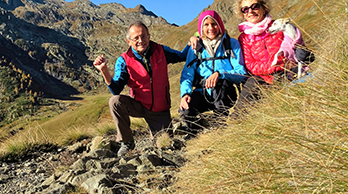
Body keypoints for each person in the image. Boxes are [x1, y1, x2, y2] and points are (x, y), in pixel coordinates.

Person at [93, 21, 189, 156]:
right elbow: (116, 90)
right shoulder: (124, 60)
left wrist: (193, 39)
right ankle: (126, 141)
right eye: (136, 38)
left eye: (143, 36)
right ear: (129, 41)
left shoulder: (160, 50)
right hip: (138, 104)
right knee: (115, 101)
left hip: (160, 110)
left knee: (164, 147)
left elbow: (182, 56)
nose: (141, 41)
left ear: (149, 36)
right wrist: (104, 71)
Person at [234, 0, 313, 103]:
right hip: (262, 78)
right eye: (245, 9)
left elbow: (297, 47)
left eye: (255, 6)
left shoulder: (280, 26)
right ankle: (236, 120)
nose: (250, 11)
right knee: (246, 97)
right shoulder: (244, 38)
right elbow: (250, 65)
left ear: (264, 7)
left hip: (286, 72)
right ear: (242, 14)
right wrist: (276, 66)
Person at [179, 10, 247, 135]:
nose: (211, 28)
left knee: (219, 87)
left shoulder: (231, 44)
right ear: (201, 27)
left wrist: (219, 74)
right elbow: (187, 75)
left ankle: (221, 129)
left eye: (214, 24)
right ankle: (197, 135)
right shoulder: (195, 48)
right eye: (206, 25)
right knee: (185, 111)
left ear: (220, 25)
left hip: (224, 92)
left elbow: (241, 72)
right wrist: (185, 94)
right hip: (202, 92)